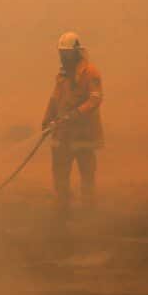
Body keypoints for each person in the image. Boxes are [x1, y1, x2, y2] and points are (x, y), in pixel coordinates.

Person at [42, 31, 104, 208]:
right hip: (63, 135)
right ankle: (62, 210)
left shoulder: (90, 73)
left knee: (87, 176)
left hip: (84, 136)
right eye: (62, 53)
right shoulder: (62, 75)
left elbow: (95, 99)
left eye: (67, 53)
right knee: (60, 175)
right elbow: (54, 99)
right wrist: (46, 121)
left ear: (76, 52)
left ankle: (88, 213)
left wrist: (76, 113)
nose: (64, 57)